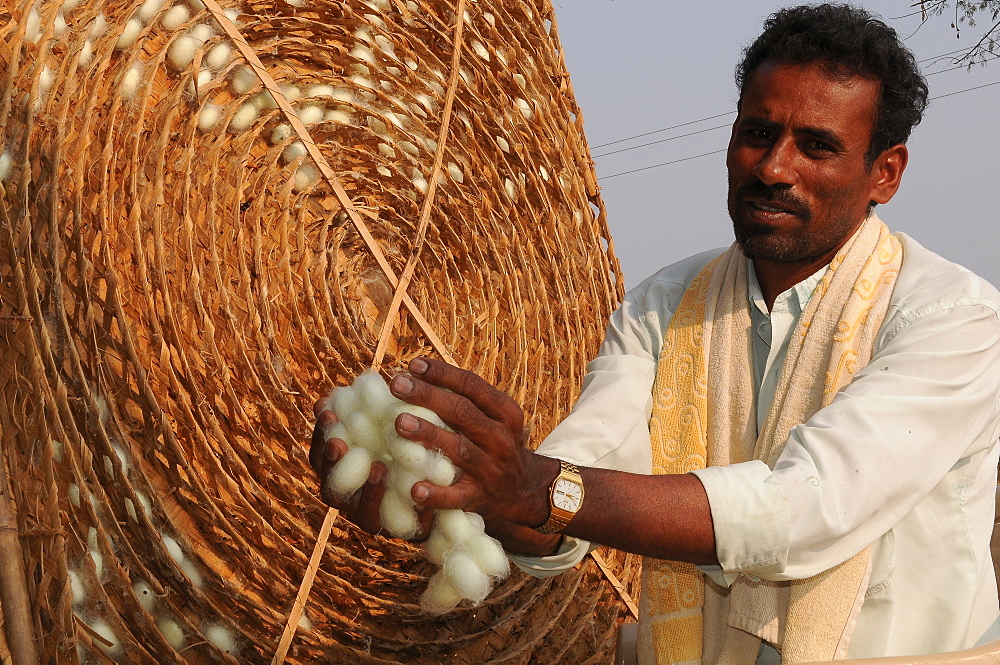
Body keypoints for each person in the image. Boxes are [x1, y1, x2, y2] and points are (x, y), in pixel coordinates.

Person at [310, 4, 1000, 663]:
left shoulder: (952, 317)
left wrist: (535, 484)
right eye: (758, 133)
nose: (774, 167)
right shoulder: (663, 305)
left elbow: (806, 507)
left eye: (817, 147)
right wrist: (455, 489)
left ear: (886, 172)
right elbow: (570, 491)